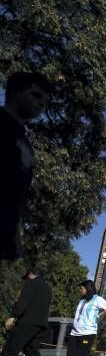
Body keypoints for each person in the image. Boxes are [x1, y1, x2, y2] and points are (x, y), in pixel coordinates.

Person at [1, 71, 52, 262]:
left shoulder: (26, 144)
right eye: (36, 95)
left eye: (45, 101)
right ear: (15, 92)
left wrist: (14, 234)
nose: (41, 104)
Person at [0, 269, 52, 356]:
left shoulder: (30, 284)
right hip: (41, 325)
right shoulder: (47, 288)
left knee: (10, 349)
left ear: (30, 274)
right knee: (32, 352)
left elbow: (23, 302)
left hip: (27, 322)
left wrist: (13, 316)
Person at [58, 280, 106, 356]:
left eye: (81, 288)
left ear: (87, 289)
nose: (80, 290)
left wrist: (98, 315)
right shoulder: (82, 300)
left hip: (88, 333)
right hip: (75, 332)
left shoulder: (97, 299)